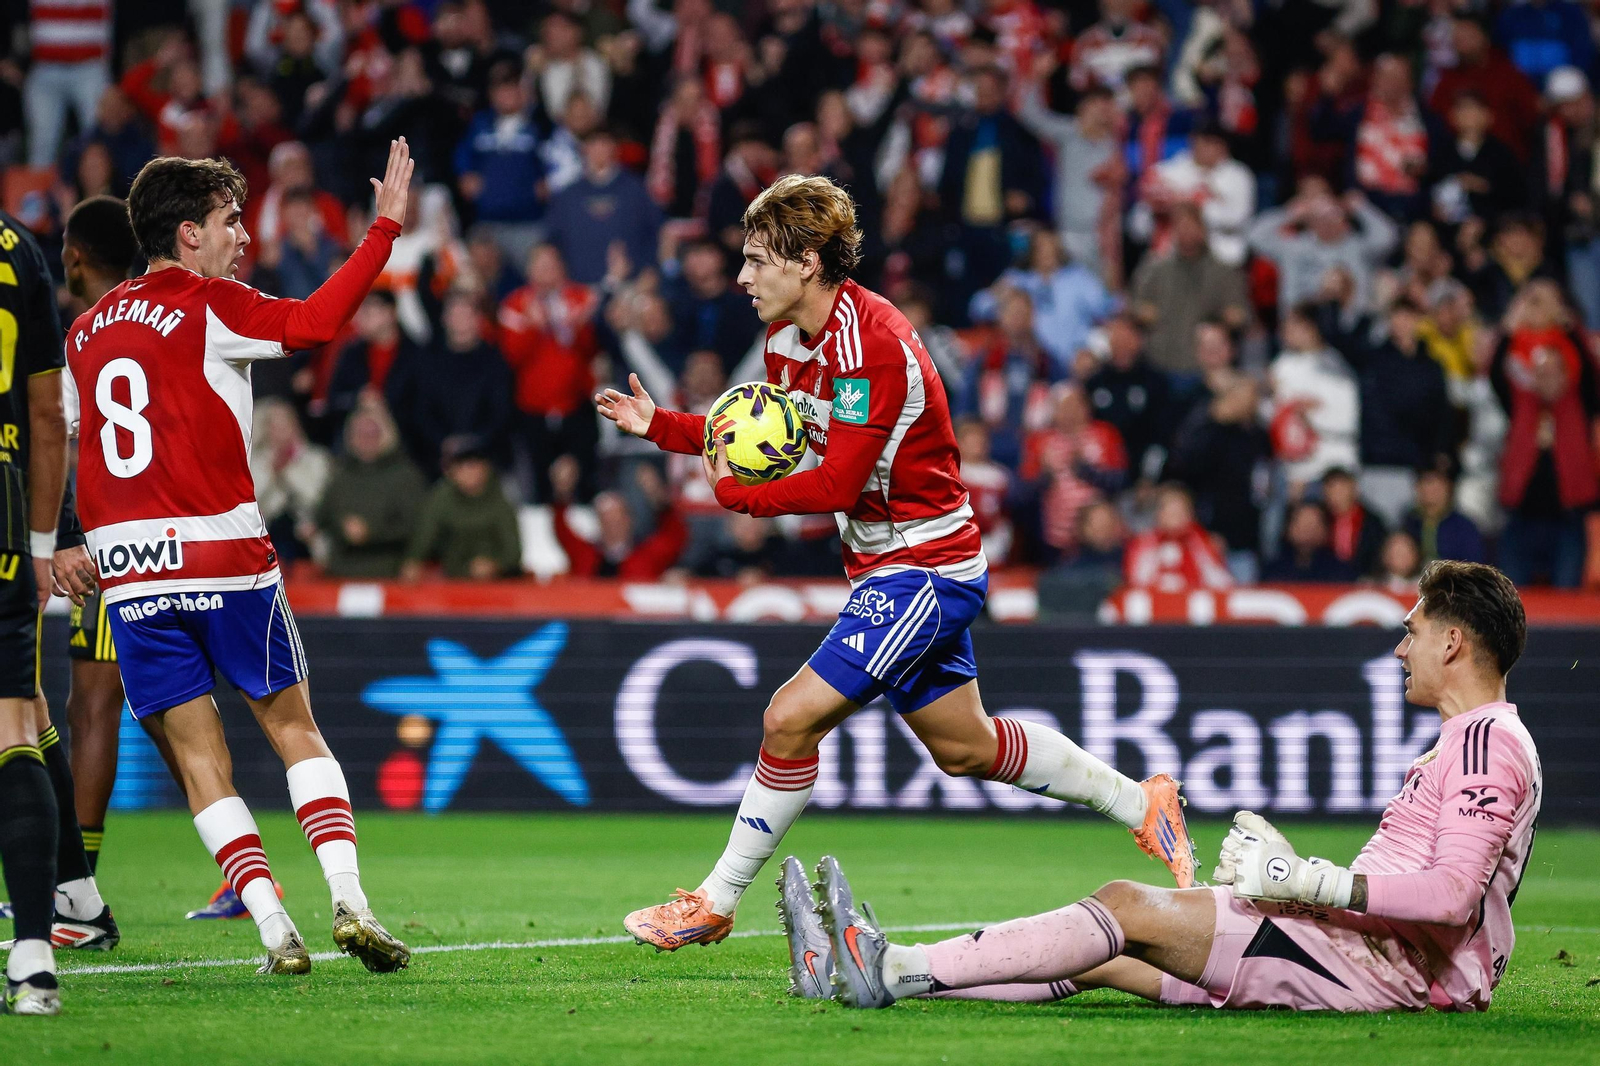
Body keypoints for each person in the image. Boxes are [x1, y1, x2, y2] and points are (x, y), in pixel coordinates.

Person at [598, 174, 1198, 953]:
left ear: (808, 261)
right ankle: (1142, 804)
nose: (743, 277)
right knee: (965, 748)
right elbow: (783, 438)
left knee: (788, 717)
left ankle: (714, 900)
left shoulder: (872, 344)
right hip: (886, 566)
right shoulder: (786, 339)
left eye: (755, 260)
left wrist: (739, 500)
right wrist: (668, 428)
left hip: (924, 568)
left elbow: (837, 480)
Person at [796, 561, 1542, 1016]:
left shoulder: (1487, 742)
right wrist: (1303, 886)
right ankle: (870, 973)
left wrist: (1311, 879)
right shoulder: (1473, 739)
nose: (1400, 645)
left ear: (1454, 641)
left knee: (1126, 905)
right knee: (1105, 953)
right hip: (1379, 955)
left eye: (1413, 630)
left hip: (1401, 974)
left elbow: (1449, 898)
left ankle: (891, 967)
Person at [65, 143, 417, 975]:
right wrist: (384, 233)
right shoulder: (210, 303)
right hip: (224, 554)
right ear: (188, 235)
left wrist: (67, 544)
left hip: (133, 569)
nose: (242, 237)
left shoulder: (84, 334)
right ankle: (349, 901)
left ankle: (271, 930)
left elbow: (76, 445)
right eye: (229, 221)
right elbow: (316, 323)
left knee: (197, 757)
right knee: (293, 727)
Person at [0, 204, 80, 1013]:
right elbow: (49, 414)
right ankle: (32, 962)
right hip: (4, 501)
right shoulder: (18, 248)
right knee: (14, 724)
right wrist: (40, 540)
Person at [401, 436, 523, 581]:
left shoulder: (501, 498)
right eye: (462, 467)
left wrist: (495, 565)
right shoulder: (441, 498)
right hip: (453, 578)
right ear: (452, 471)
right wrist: (414, 560)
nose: (468, 473)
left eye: (473, 465)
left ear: (486, 467)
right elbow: (425, 534)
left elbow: (513, 551)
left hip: (496, 581)